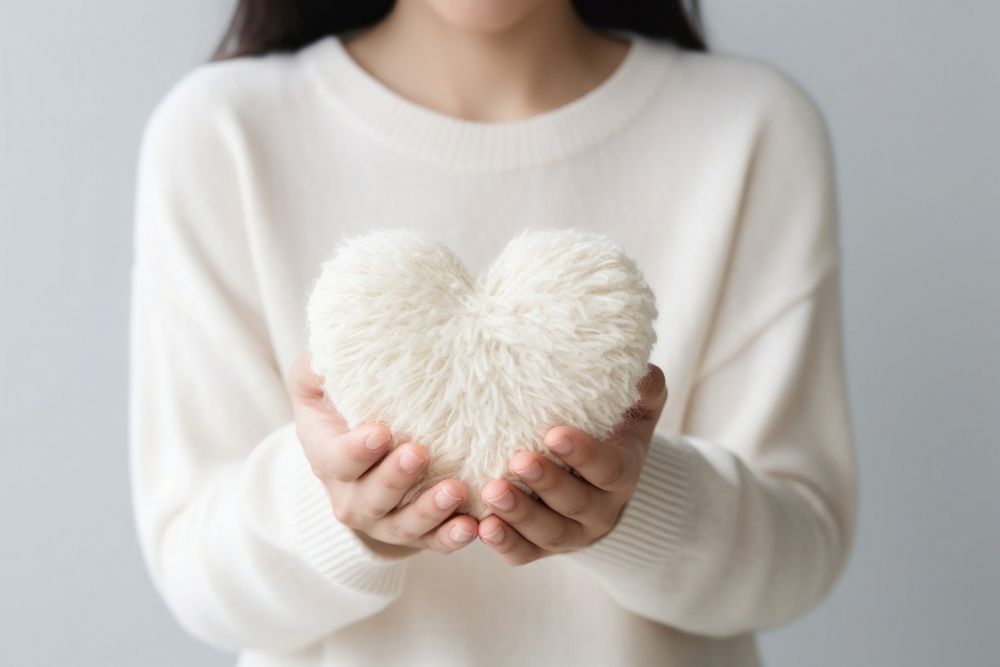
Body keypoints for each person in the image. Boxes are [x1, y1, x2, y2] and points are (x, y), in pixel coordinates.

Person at [128, 1, 858, 665]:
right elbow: (196, 574)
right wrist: (341, 507)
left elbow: (803, 551)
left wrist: (634, 504)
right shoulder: (222, 134)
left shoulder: (750, 128)